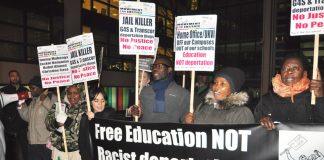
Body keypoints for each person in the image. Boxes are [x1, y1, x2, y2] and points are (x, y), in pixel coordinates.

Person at [254, 54, 324, 130]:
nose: (289, 71)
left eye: (295, 68)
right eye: (285, 68)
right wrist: (261, 122)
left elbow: (321, 125)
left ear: (304, 73)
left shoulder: (312, 97)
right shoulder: (267, 99)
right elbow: (255, 128)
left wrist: (320, 98)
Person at [130, 55, 190, 123]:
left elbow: (185, 120)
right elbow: (140, 115)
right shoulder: (145, 91)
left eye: (159, 66)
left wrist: (188, 120)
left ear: (169, 70)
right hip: (146, 132)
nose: (155, 69)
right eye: (153, 66)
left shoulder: (182, 93)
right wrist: (137, 113)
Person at [184, 67, 255, 124]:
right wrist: (189, 123)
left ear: (232, 88)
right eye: (215, 83)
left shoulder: (241, 113)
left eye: (222, 84)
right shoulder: (203, 107)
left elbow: (246, 139)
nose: (216, 87)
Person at [17, 76, 57, 160]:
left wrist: (44, 100)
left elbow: (55, 114)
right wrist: (21, 107)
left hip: (46, 143)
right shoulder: (33, 101)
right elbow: (28, 118)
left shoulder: (51, 97)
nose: (31, 90)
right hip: (32, 143)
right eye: (30, 88)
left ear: (41, 88)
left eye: (33, 88)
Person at [45, 84, 86, 160]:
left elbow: (83, 131)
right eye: (69, 93)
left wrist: (67, 121)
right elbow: (47, 124)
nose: (72, 96)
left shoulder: (85, 108)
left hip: (76, 152)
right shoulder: (59, 105)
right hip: (58, 150)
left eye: (75, 93)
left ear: (80, 93)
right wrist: (56, 123)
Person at [79, 86, 120, 160]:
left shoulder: (110, 112)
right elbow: (81, 141)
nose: (100, 104)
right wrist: (84, 155)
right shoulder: (84, 118)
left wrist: (95, 117)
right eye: (96, 101)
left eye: (103, 100)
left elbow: (106, 117)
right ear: (90, 102)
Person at [0, 70, 29, 160]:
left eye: (16, 76)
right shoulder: (3, 91)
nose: (15, 77)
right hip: (9, 128)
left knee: (25, 152)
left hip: (23, 126)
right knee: (11, 153)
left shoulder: (25, 91)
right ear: (9, 78)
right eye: (12, 76)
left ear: (19, 77)